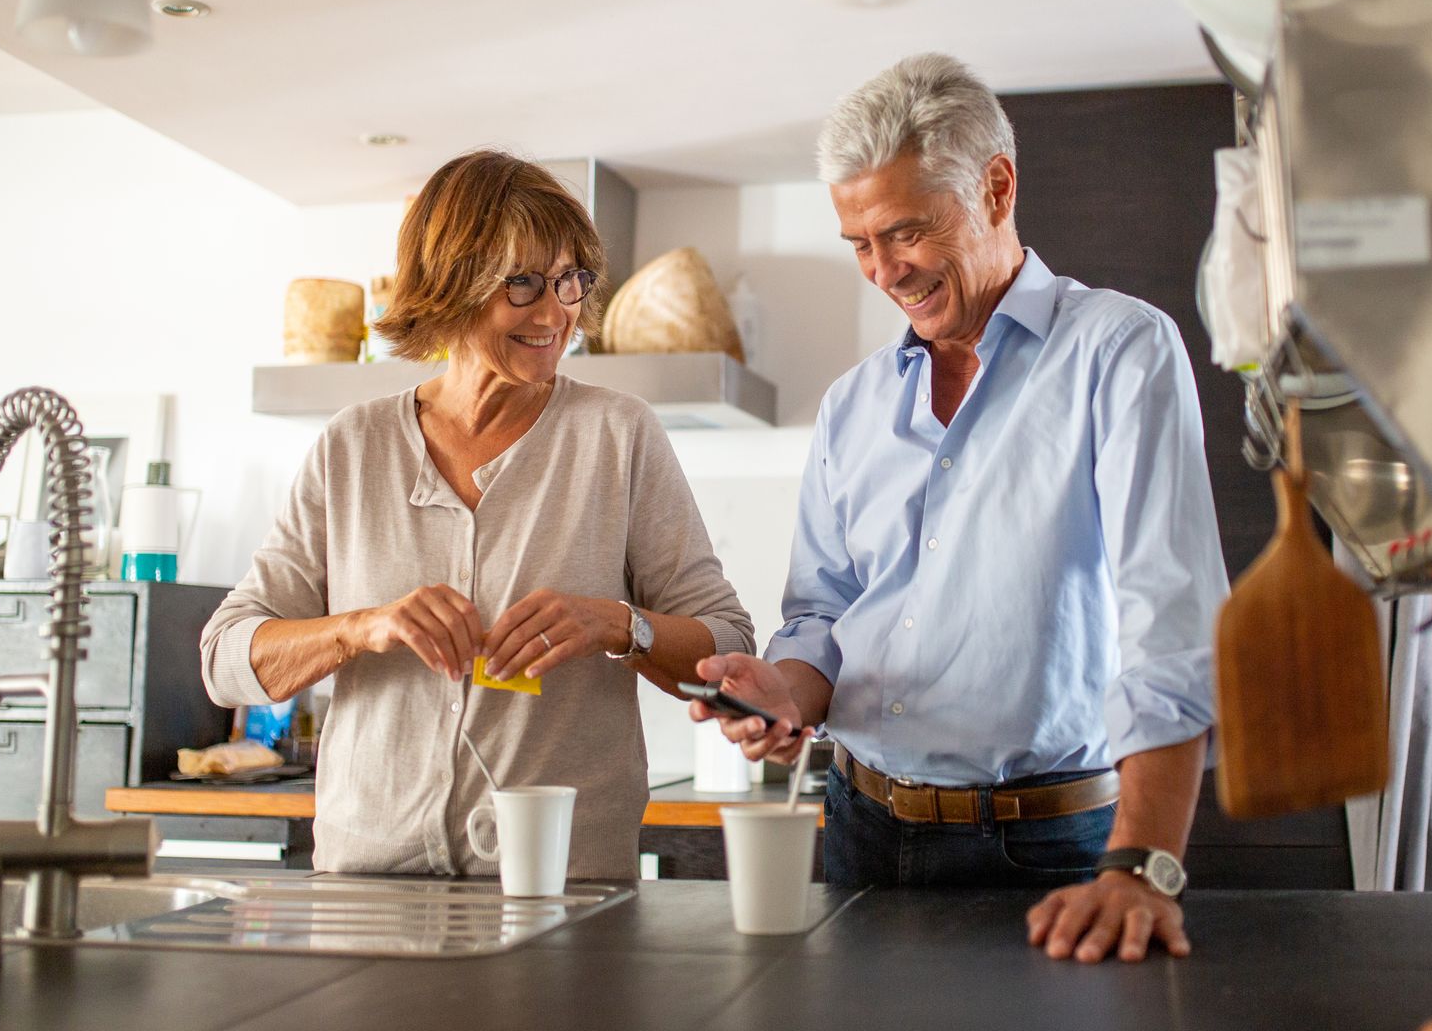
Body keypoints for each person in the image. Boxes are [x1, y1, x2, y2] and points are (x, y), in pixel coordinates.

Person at [693, 53, 1227, 963]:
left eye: (904, 231)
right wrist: (783, 693)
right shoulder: (852, 405)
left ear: (996, 186)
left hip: (1053, 845)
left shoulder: (1118, 351)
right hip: (860, 829)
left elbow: (1173, 630)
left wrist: (1143, 864)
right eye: (858, 244)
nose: (883, 271)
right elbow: (823, 612)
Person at [203, 149, 755, 877]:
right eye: (522, 283)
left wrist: (618, 625)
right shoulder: (353, 446)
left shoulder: (618, 435)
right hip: (372, 882)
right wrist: (361, 627)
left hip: (560, 879)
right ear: (450, 284)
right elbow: (227, 660)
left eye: (568, 280)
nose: (557, 312)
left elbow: (729, 650)